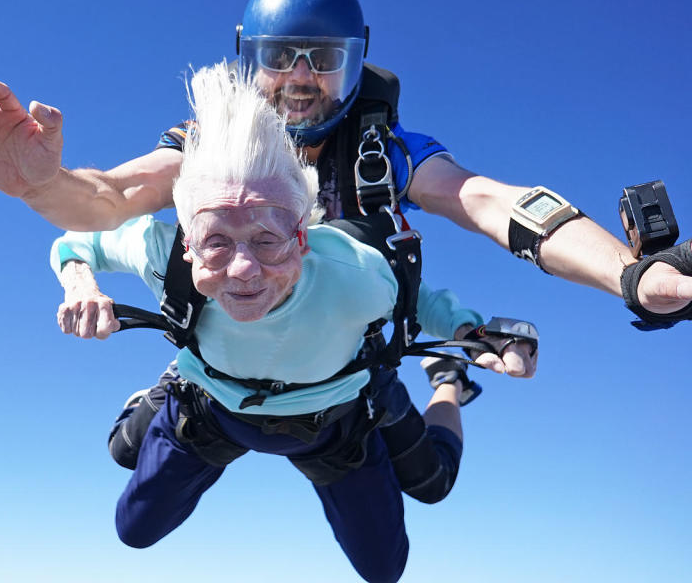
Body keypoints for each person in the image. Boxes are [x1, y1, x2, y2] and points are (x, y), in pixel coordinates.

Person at [0, 0, 692, 333]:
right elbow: (112, 198)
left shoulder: (379, 151)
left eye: (325, 60)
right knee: (141, 500)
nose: (299, 81)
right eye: (279, 57)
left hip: (340, 374)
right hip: (224, 360)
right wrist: (39, 186)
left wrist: (630, 274)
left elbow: (494, 202)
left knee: (400, 505)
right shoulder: (209, 144)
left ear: (358, 63)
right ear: (245, 60)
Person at [51, 62, 524, 582]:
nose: (244, 270)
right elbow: (74, 241)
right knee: (132, 517)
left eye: (267, 239)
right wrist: (82, 285)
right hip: (214, 405)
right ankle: (163, 392)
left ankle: (449, 385)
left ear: (304, 238)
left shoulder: (354, 270)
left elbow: (417, 297)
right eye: (215, 242)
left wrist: (470, 335)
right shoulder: (161, 254)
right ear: (186, 243)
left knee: (411, 521)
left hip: (338, 417)